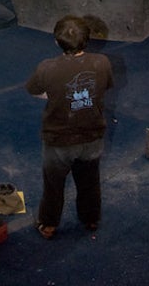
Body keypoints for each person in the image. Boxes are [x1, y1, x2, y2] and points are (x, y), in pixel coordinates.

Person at [26, 15, 113, 239]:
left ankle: (48, 224)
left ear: (57, 42)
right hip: (91, 135)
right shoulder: (101, 62)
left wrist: (54, 95)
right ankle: (90, 218)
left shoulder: (48, 67)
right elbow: (104, 86)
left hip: (59, 139)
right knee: (89, 182)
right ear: (87, 40)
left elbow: (33, 90)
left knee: (53, 185)